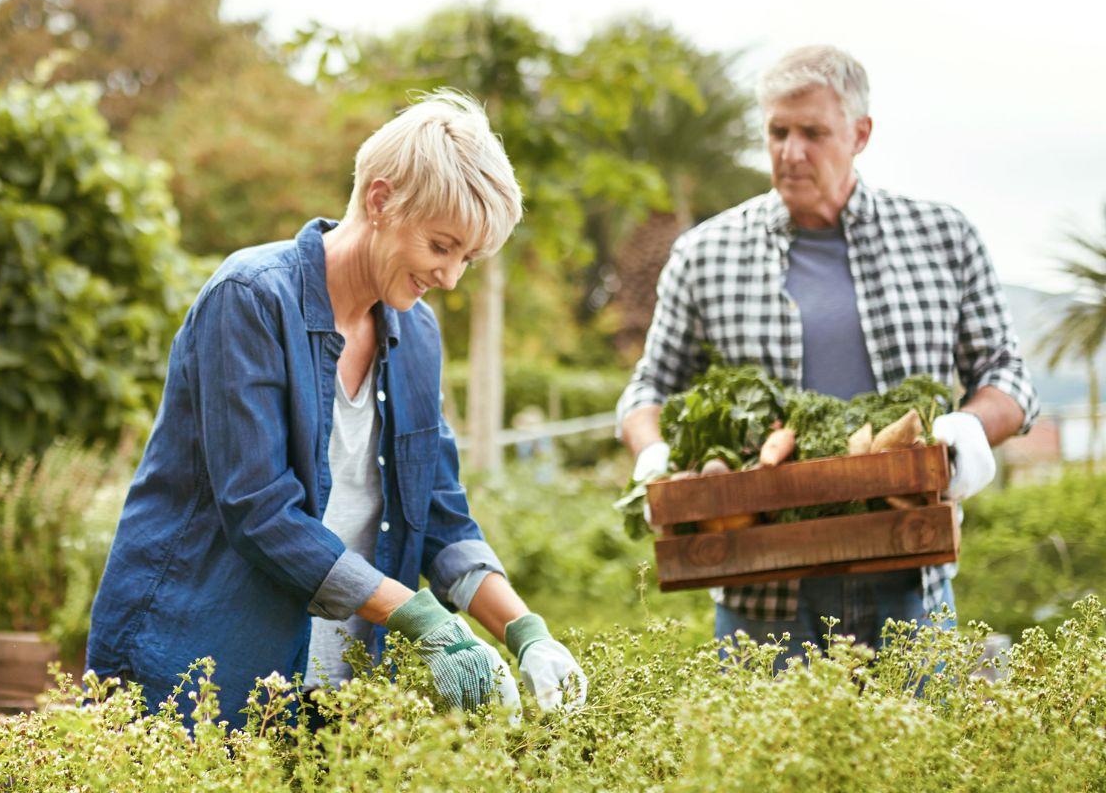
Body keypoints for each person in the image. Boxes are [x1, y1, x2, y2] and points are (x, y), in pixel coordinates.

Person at [86, 91, 587, 728]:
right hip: (197, 670)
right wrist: (422, 618)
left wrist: (527, 633)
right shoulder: (251, 300)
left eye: (468, 257)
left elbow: (438, 514)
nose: (452, 276)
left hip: (334, 692)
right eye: (441, 245)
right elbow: (260, 512)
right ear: (380, 201)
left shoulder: (417, 337)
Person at [616, 46, 1039, 665]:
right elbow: (647, 390)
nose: (790, 152)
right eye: (777, 132)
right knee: (770, 764)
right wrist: (655, 457)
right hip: (760, 597)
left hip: (910, 582)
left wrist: (967, 429)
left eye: (812, 132)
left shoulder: (943, 237)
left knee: (918, 762)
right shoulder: (704, 255)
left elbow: (1008, 374)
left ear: (860, 134)